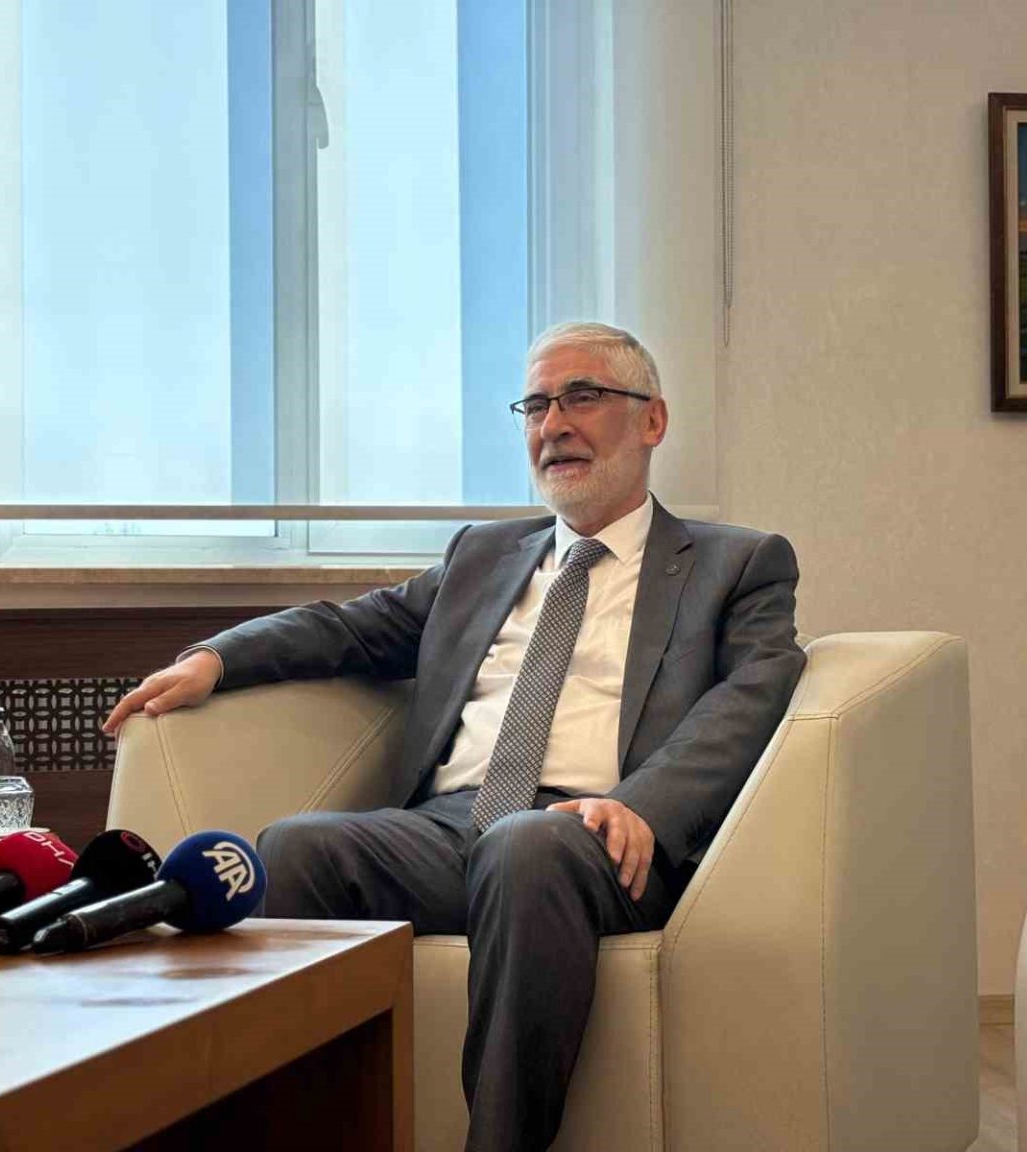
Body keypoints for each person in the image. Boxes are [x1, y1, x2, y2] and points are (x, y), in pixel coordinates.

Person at [103, 321, 806, 1151]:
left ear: (652, 419)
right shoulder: (484, 555)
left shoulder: (737, 563)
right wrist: (217, 659)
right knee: (297, 847)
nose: (554, 425)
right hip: (448, 830)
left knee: (526, 845)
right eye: (536, 406)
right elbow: (353, 628)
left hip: (599, 836)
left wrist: (644, 805)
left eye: (581, 397)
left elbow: (754, 692)